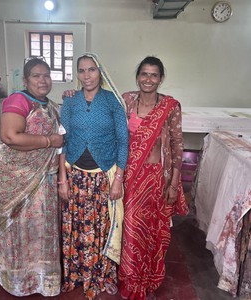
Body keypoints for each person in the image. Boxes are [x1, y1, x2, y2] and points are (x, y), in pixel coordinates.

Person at [58, 53, 129, 300]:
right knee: (77, 228)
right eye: (82, 70)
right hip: (75, 176)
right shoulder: (69, 102)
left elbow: (123, 141)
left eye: (91, 70)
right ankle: (77, 274)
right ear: (77, 74)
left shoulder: (112, 102)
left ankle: (100, 276)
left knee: (101, 229)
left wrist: (118, 178)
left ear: (100, 72)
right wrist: (62, 179)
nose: (87, 75)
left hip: (103, 177)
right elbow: (63, 142)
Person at [118, 56, 189, 300]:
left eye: (153, 75)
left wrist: (173, 183)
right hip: (129, 177)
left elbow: (178, 145)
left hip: (156, 178)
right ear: (137, 76)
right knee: (130, 230)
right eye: (144, 74)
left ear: (160, 78)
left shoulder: (170, 106)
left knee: (150, 230)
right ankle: (130, 279)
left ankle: (148, 277)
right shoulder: (126, 100)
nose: (148, 79)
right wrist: (75, 93)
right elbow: (101, 101)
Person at [0, 57, 64, 297]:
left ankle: (43, 280)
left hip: (43, 178)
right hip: (16, 177)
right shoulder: (18, 100)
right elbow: (10, 136)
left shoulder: (51, 105)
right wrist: (47, 141)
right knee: (19, 229)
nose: (42, 80)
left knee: (42, 227)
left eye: (46, 75)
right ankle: (17, 280)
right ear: (25, 79)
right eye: (36, 75)